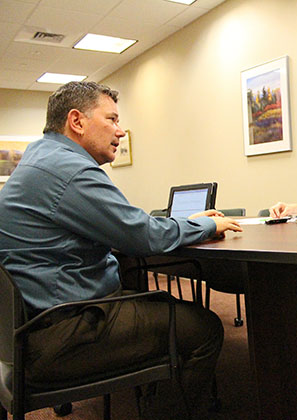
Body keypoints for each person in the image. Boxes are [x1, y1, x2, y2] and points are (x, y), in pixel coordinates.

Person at [0, 81, 243, 419]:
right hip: (62, 335)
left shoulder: (41, 159)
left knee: (144, 291)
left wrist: (181, 222)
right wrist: (206, 225)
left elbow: (123, 225)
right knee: (204, 329)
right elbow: (143, 237)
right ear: (77, 121)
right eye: (112, 120)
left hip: (29, 328)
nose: (120, 131)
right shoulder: (70, 170)